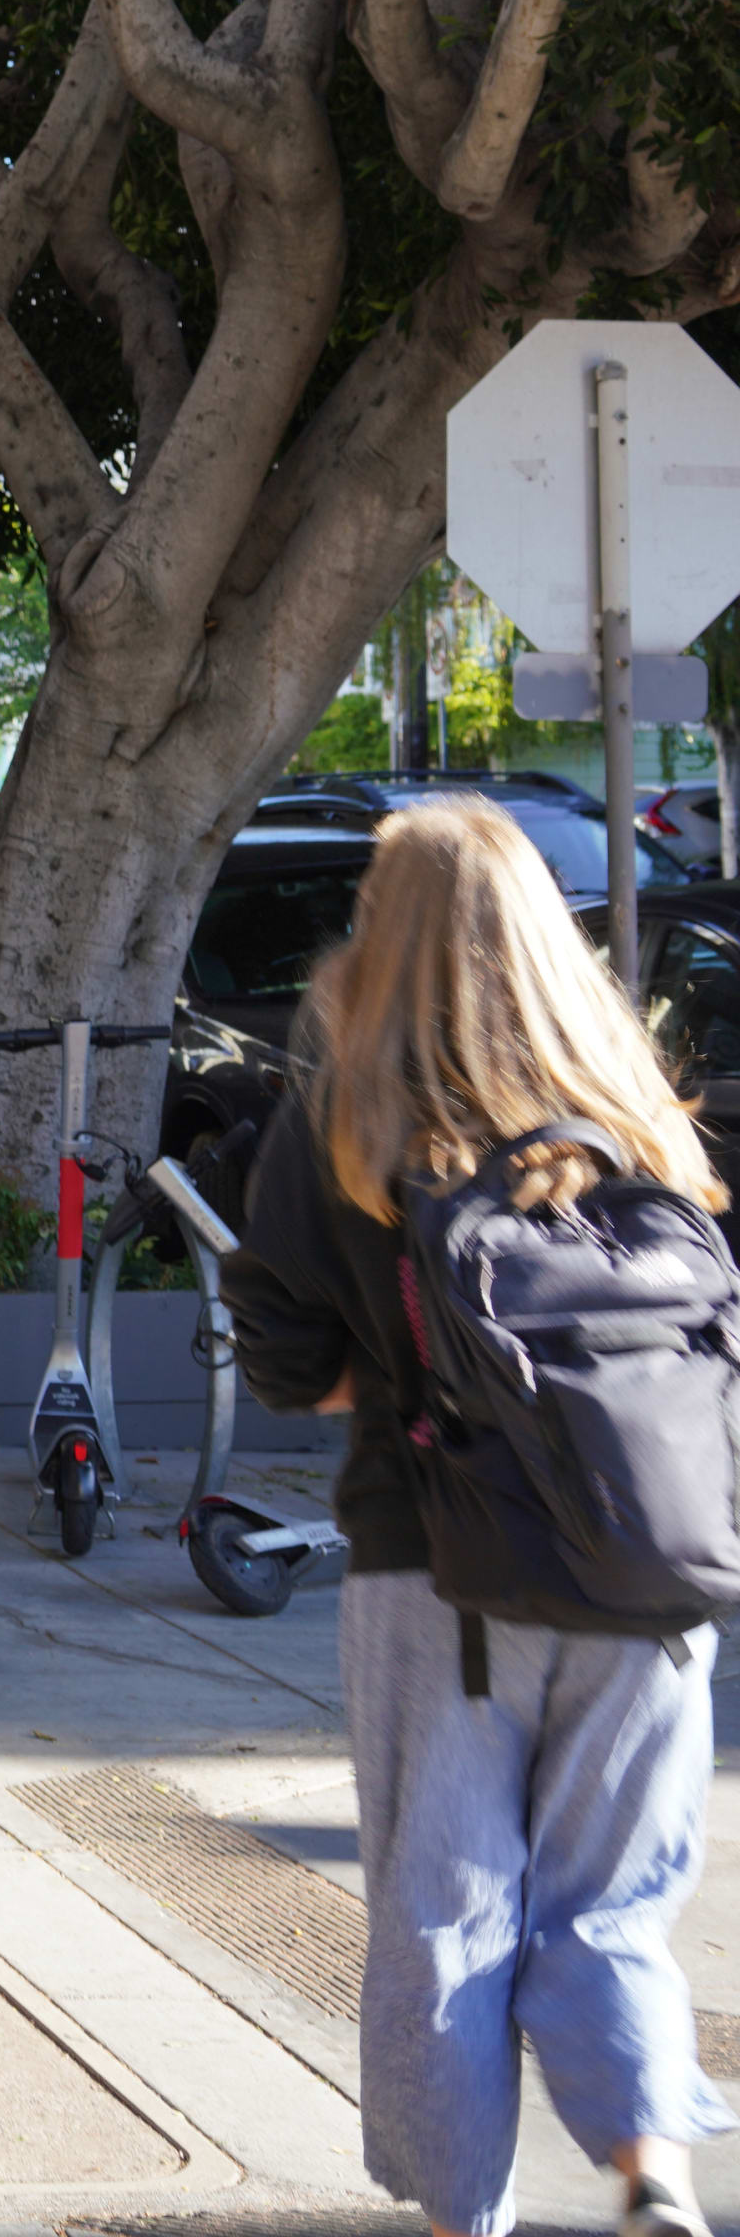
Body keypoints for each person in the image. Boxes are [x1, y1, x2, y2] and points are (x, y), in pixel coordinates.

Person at [226, 801, 729, 2237]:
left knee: (447, 1913)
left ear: (384, 934)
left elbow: (285, 1358)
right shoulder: (633, 1104)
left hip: (436, 1572)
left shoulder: (345, 1121)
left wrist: (395, 1377)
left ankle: (466, 2219)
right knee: (616, 1900)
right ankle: (651, 2177)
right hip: (651, 1563)